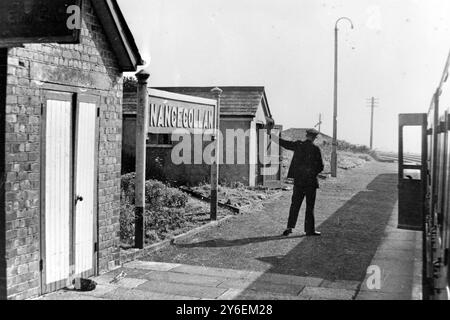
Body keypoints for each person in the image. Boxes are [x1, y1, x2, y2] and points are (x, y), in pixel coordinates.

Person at [279, 129, 324, 237]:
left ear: (306, 135)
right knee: (310, 207)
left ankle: (289, 228)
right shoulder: (316, 149)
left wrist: (271, 136)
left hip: (298, 181)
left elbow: (285, 143)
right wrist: (311, 173)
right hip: (311, 182)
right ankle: (309, 231)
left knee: (295, 205)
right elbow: (321, 166)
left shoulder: (298, 145)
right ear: (314, 138)